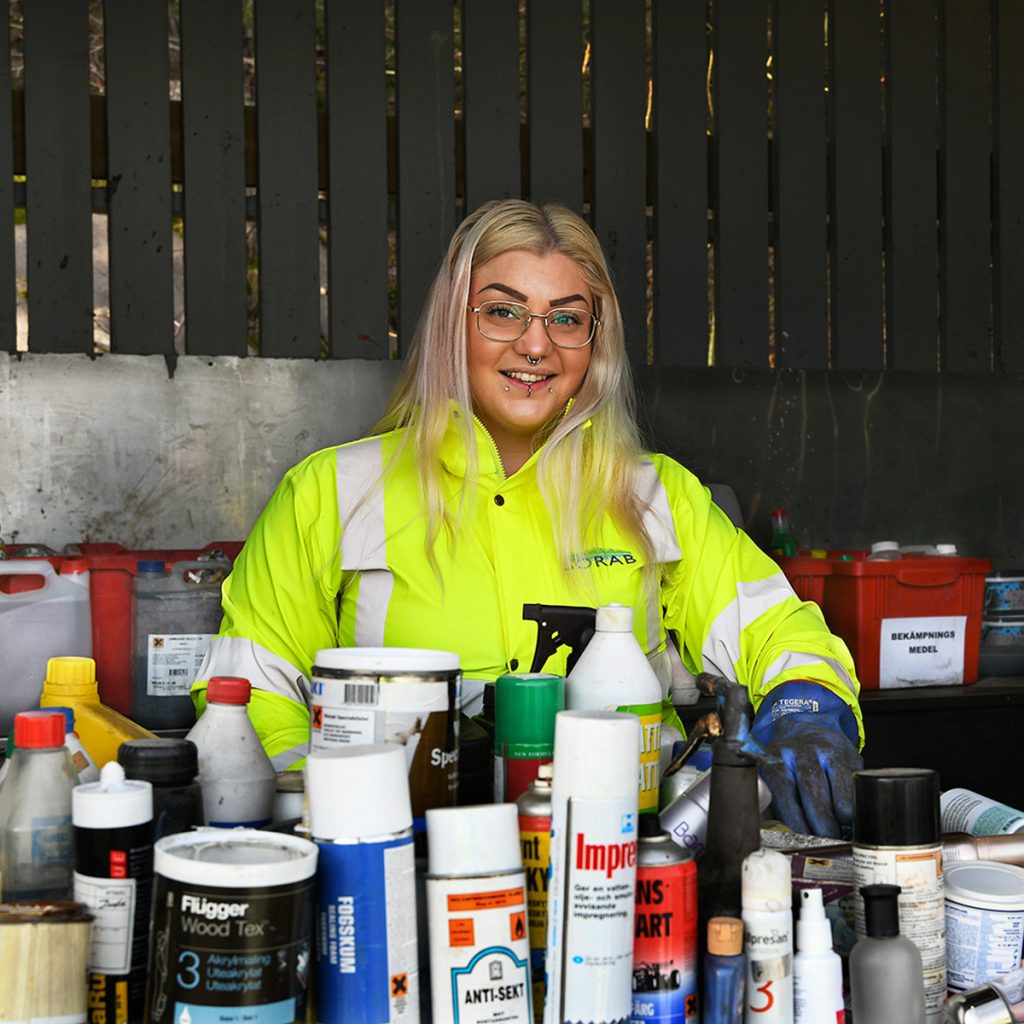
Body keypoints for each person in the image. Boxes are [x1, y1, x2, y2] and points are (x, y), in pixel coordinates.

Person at [192, 199, 863, 838]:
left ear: (595, 343)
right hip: (390, 859)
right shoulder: (332, 492)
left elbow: (774, 625)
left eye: (567, 319)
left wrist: (807, 707)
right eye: (503, 312)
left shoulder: (656, 498)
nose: (536, 345)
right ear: (454, 322)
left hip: (625, 868)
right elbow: (254, 694)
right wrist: (335, 812)